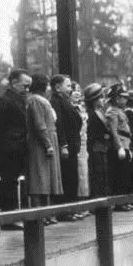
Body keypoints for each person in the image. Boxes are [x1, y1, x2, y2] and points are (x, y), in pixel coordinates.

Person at [0, 68, 32, 226]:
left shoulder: (17, 99)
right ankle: (9, 217)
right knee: (8, 182)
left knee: (12, 181)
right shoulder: (5, 101)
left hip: (16, 147)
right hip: (8, 149)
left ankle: (12, 215)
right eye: (25, 85)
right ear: (14, 83)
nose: (27, 89)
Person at [25, 74, 63, 221]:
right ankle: (39, 214)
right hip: (40, 143)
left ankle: (47, 213)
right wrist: (48, 144)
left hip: (47, 139)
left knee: (47, 178)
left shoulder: (41, 100)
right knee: (39, 177)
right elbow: (40, 125)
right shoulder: (36, 100)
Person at [50, 74, 83, 220]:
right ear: (57, 87)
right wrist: (63, 144)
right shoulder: (56, 102)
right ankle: (66, 211)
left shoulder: (65, 101)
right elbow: (60, 124)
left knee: (72, 178)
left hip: (72, 145)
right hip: (66, 146)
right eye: (68, 86)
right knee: (67, 178)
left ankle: (73, 208)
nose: (70, 89)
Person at [105, 83, 133, 211]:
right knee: (119, 175)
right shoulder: (112, 111)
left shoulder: (120, 111)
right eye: (123, 97)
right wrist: (119, 147)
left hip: (125, 143)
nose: (125, 99)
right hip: (119, 145)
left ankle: (123, 201)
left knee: (125, 174)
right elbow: (114, 131)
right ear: (116, 98)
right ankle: (119, 203)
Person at [84, 83, 110, 198]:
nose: (103, 100)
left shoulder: (100, 112)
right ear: (94, 100)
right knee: (97, 174)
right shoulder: (90, 114)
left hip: (102, 147)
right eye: (100, 98)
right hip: (95, 147)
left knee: (104, 174)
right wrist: (104, 137)